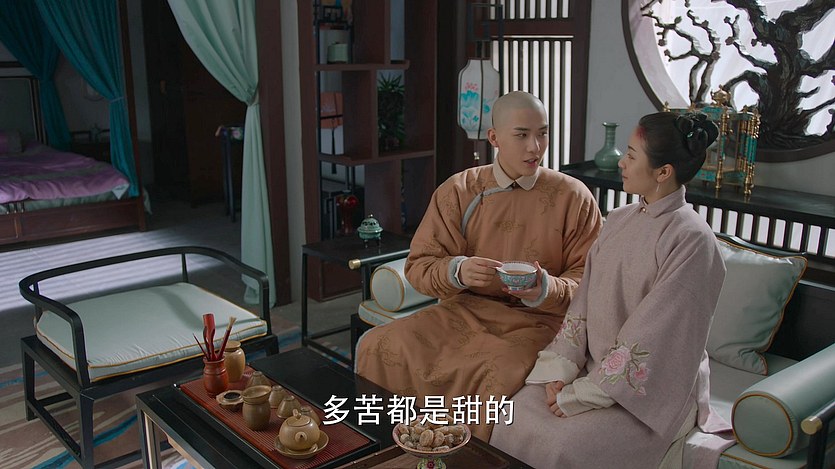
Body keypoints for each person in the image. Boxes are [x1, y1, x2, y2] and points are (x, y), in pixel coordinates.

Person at [354, 91, 603, 441]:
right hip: (463, 308)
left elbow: (590, 281)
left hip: (538, 320)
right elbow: (419, 266)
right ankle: (390, 447)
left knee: (496, 372)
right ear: (494, 137)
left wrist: (544, 287)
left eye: (543, 133)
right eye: (521, 135)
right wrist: (458, 271)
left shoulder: (573, 197)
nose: (535, 147)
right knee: (380, 342)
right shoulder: (459, 191)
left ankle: (460, 455)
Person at [489, 111, 727, 468]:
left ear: (663, 172)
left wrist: (587, 393)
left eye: (631, 155)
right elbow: (583, 303)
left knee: (561, 445)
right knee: (513, 416)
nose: (622, 163)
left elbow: (656, 334)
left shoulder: (692, 240)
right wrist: (561, 372)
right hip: (592, 372)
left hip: (648, 393)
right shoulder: (618, 220)